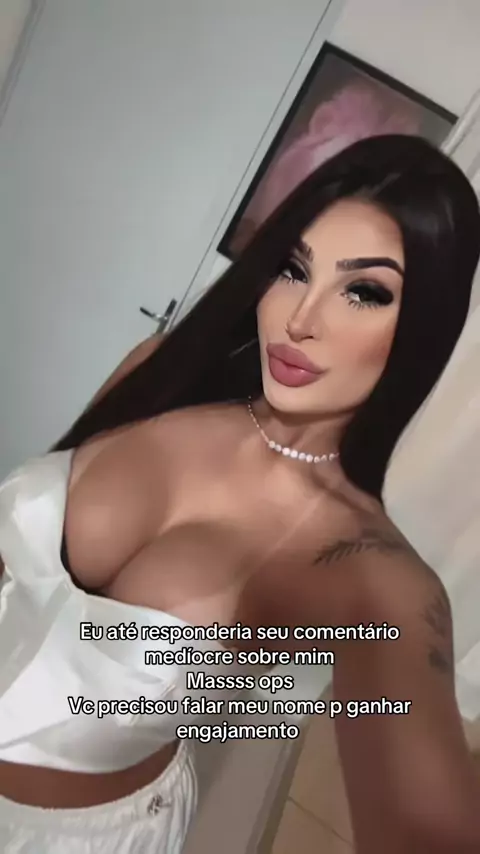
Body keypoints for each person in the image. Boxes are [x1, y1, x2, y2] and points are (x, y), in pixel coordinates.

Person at [1, 134, 480, 854]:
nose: (300, 319)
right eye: (293, 268)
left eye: (363, 292)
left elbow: (425, 824)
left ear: (425, 323)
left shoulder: (370, 572)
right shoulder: (163, 370)